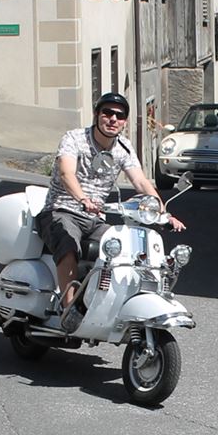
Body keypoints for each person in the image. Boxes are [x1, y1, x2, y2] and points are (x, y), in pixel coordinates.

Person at [36, 92, 185, 331]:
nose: (113, 119)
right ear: (97, 115)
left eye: (120, 115)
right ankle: (69, 309)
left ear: (125, 121)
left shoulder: (123, 148)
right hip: (61, 210)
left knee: (126, 248)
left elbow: (141, 182)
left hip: (95, 218)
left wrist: (163, 213)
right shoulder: (75, 138)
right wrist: (83, 199)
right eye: (107, 113)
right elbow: (66, 173)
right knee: (69, 243)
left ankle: (109, 303)